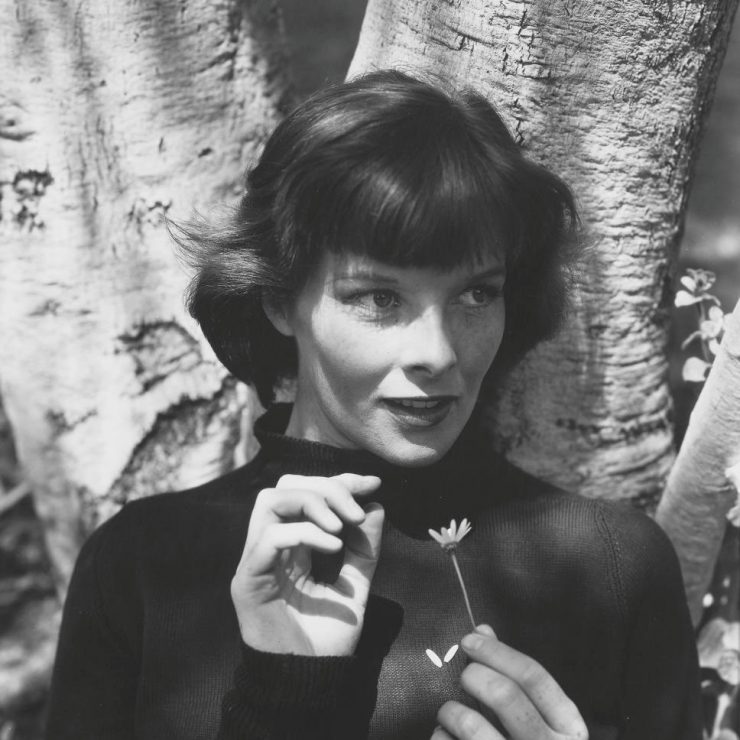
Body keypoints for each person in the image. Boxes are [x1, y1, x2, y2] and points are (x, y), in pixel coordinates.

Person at [45, 70, 702, 740]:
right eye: (380, 298)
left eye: (476, 294)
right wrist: (279, 699)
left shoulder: (615, 566)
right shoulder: (141, 568)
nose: (438, 354)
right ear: (278, 299)